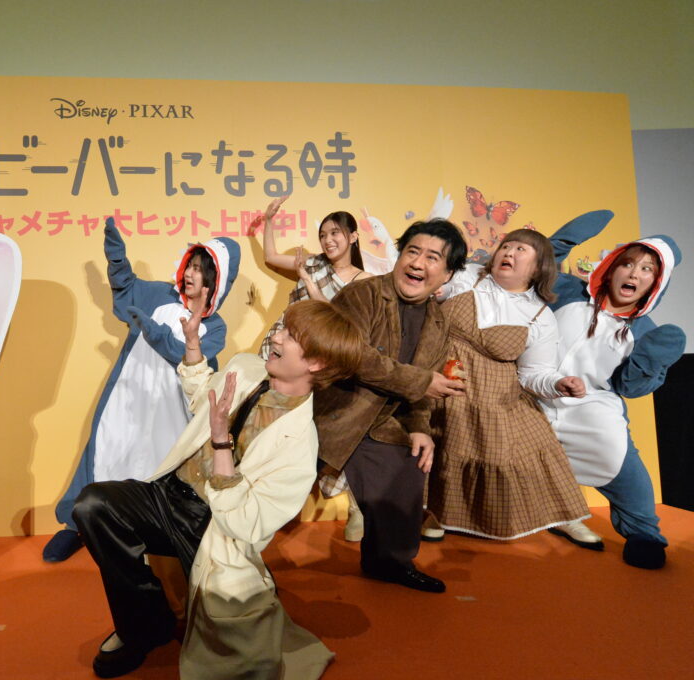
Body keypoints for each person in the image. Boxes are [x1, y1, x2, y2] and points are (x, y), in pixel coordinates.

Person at [73, 297, 363, 679]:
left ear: (317, 363)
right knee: (93, 506)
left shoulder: (299, 445)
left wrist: (221, 442)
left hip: (212, 525)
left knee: (236, 650)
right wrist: (193, 345)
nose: (277, 336)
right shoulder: (245, 366)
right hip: (168, 491)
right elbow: (203, 399)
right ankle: (144, 626)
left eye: (291, 336)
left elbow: (246, 523)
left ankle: (246, 600)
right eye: (283, 327)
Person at [44, 217, 240, 562]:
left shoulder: (215, 327)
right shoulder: (160, 295)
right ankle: (76, 524)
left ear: (216, 280)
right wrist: (117, 259)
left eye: (200, 269)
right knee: (108, 448)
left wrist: (157, 333)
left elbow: (190, 360)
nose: (190, 273)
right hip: (129, 391)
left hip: (171, 405)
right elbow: (126, 288)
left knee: (160, 464)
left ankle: (150, 532)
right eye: (190, 265)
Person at [314, 219, 468, 593]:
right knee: (278, 492)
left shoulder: (438, 321)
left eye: (432, 258)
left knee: (410, 465)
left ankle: (390, 562)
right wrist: (421, 382)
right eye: (412, 251)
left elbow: (425, 385)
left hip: (385, 419)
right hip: (338, 411)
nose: (418, 263)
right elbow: (354, 356)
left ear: (446, 274)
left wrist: (420, 428)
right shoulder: (362, 295)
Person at [425, 230, 592, 542]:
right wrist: (436, 289)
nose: (509, 252)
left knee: (529, 444)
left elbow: (533, 373)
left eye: (521, 249)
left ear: (538, 267)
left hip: (495, 394)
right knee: (441, 443)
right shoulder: (468, 277)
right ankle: (436, 512)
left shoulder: (540, 315)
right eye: (506, 246)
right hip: (444, 380)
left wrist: (558, 383)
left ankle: (562, 515)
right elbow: (436, 288)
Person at [542, 211, 685, 569]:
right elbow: (536, 269)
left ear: (656, 283)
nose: (635, 274)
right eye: (628, 264)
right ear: (612, 267)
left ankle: (644, 534)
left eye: (647, 270)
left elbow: (630, 388)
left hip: (592, 409)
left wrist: (651, 363)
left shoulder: (644, 330)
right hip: (534, 394)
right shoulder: (569, 291)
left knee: (624, 468)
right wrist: (562, 242)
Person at [255, 195, 372, 541]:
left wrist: (308, 282)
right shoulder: (314, 263)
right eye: (323, 235)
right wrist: (269, 220)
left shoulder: (365, 281)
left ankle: (355, 506)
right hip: (281, 346)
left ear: (353, 236)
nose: (328, 240)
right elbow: (270, 256)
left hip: (321, 361)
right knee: (268, 422)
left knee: (327, 431)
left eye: (335, 233)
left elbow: (338, 321)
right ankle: (259, 501)